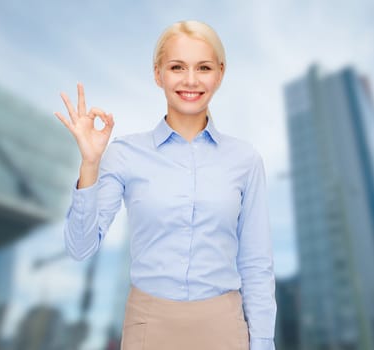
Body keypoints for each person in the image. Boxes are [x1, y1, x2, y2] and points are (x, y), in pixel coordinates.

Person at [54, 20, 276, 350]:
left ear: (220, 73)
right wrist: (90, 164)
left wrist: (262, 342)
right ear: (158, 74)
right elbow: (79, 247)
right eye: (176, 67)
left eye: (203, 67)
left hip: (224, 328)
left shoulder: (245, 160)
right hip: (148, 326)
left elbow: (256, 263)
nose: (190, 80)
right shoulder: (124, 154)